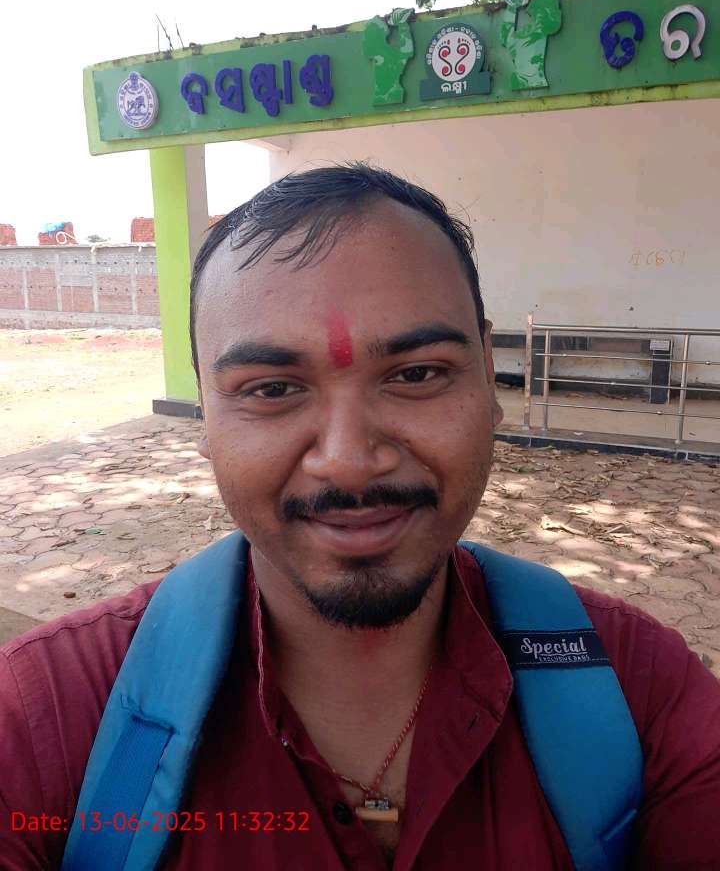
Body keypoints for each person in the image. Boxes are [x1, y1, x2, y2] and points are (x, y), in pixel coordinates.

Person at [1, 163, 719, 870]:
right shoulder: (44, 717)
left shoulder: (639, 687)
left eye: (416, 374)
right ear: (205, 417)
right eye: (272, 388)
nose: (347, 463)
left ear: (489, 380)